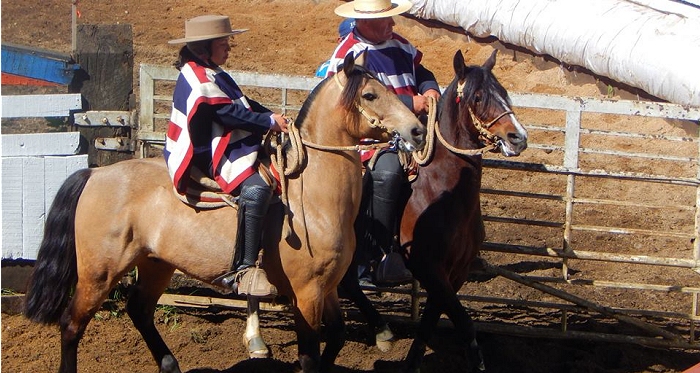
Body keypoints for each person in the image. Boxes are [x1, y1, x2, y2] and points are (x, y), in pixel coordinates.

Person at [165, 15, 289, 297]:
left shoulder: (211, 70)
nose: (229, 49)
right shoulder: (196, 76)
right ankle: (243, 269)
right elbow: (225, 113)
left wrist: (271, 116)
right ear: (202, 48)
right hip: (206, 151)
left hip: (224, 140)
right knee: (257, 187)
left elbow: (241, 103)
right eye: (223, 43)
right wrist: (268, 123)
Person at [325, 0, 441, 287]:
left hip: (412, 129)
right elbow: (345, 101)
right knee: (387, 174)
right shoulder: (348, 55)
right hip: (372, 135)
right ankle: (377, 256)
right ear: (365, 23)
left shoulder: (400, 45)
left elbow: (422, 71)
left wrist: (430, 89)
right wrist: (408, 103)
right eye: (387, 20)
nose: (393, 24)